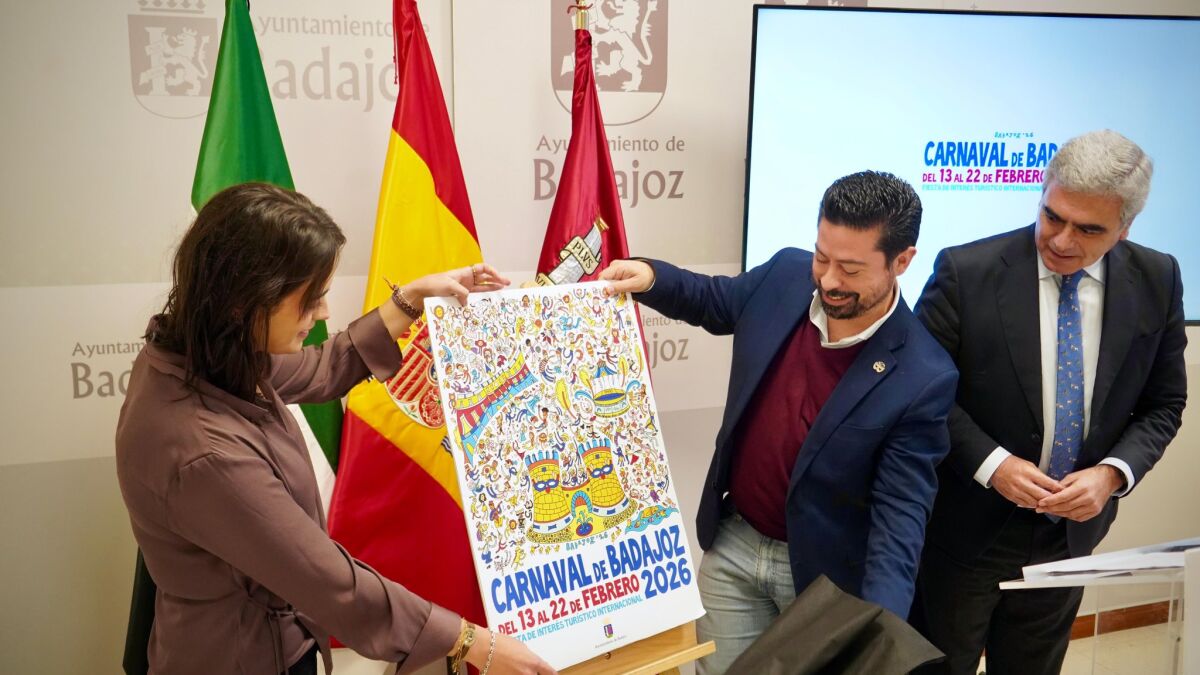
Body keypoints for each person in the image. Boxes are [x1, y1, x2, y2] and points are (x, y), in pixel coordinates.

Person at [115, 183, 556, 675]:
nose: (323, 313)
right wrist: (474, 643)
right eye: (310, 300)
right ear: (245, 300)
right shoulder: (205, 452)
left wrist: (411, 298)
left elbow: (321, 369)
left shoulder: (198, 353)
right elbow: (332, 583)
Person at [601, 170, 958, 673]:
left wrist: (878, 633)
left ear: (902, 261)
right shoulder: (786, 275)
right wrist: (652, 277)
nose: (829, 280)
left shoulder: (923, 375)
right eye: (822, 257)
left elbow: (899, 514)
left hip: (821, 581)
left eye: (851, 269)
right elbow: (714, 300)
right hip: (734, 545)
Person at [911, 130, 1187, 675]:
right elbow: (920, 396)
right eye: (1051, 216)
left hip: (1070, 535)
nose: (1061, 240)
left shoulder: (1157, 279)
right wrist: (994, 465)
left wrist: (1111, 474)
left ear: (1126, 226)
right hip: (962, 530)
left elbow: (1164, 404)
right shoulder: (967, 273)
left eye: (1088, 229)